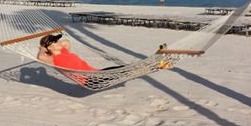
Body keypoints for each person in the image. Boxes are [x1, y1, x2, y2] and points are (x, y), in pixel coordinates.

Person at [37, 34, 172, 73]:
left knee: (127, 69)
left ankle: (158, 63)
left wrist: (55, 41)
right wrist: (42, 46)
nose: (59, 42)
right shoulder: (52, 59)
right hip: (90, 80)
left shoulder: (64, 50)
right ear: (49, 47)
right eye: (55, 41)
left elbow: (66, 41)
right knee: (126, 71)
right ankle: (158, 64)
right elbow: (40, 56)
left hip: (97, 73)